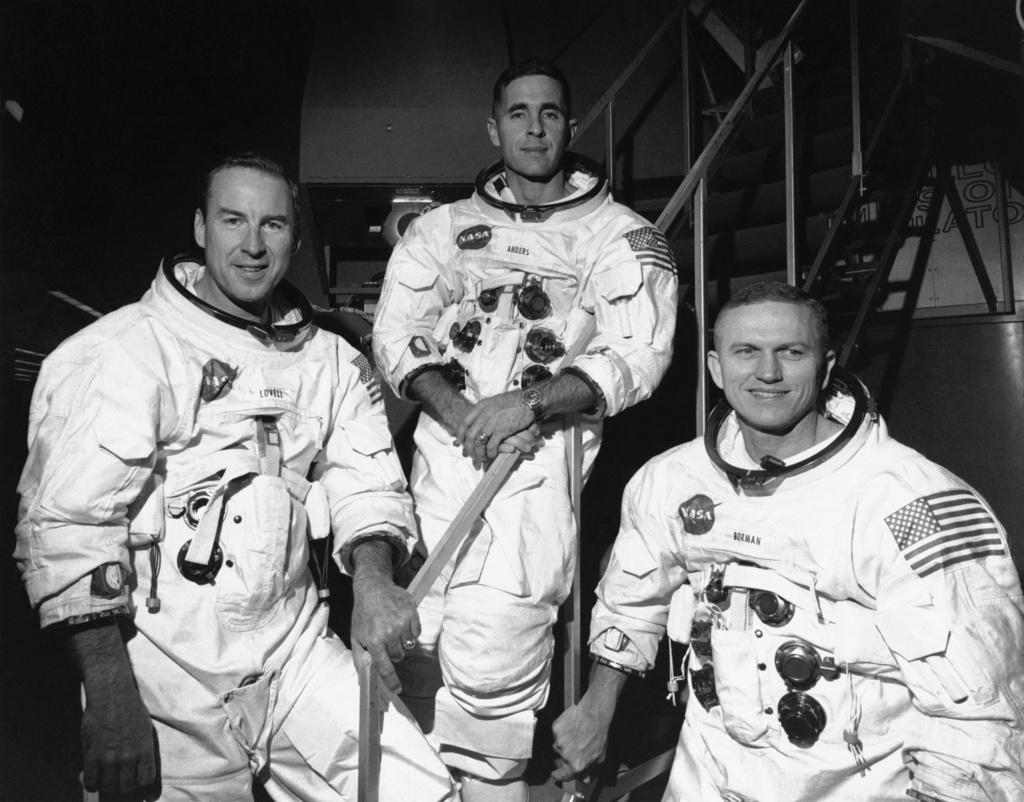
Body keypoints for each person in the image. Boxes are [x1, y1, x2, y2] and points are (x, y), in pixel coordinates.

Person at [14, 154, 457, 801]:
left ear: (295, 239)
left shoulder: (329, 360)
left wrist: (372, 581)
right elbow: (68, 529)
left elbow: (366, 481)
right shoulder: (119, 354)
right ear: (200, 227)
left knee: (421, 792)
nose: (252, 245)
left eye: (273, 225)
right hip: (168, 669)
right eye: (233, 220)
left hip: (292, 650)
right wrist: (109, 692)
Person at [552, 281, 1024, 801]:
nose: (767, 373)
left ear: (824, 368)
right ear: (715, 367)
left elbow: (979, 709)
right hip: (709, 769)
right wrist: (596, 710)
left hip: (852, 782)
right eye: (746, 352)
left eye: (790, 353)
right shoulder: (671, 480)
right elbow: (630, 602)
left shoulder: (909, 500)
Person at [372, 59, 678, 801]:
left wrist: (530, 405)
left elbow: (638, 353)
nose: (534, 127)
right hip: (440, 469)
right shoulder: (443, 230)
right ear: (494, 126)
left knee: (493, 675)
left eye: (549, 113)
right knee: (415, 661)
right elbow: (397, 332)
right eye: (518, 113)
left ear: (570, 127)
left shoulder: (619, 235)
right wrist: (459, 413)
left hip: (533, 475)